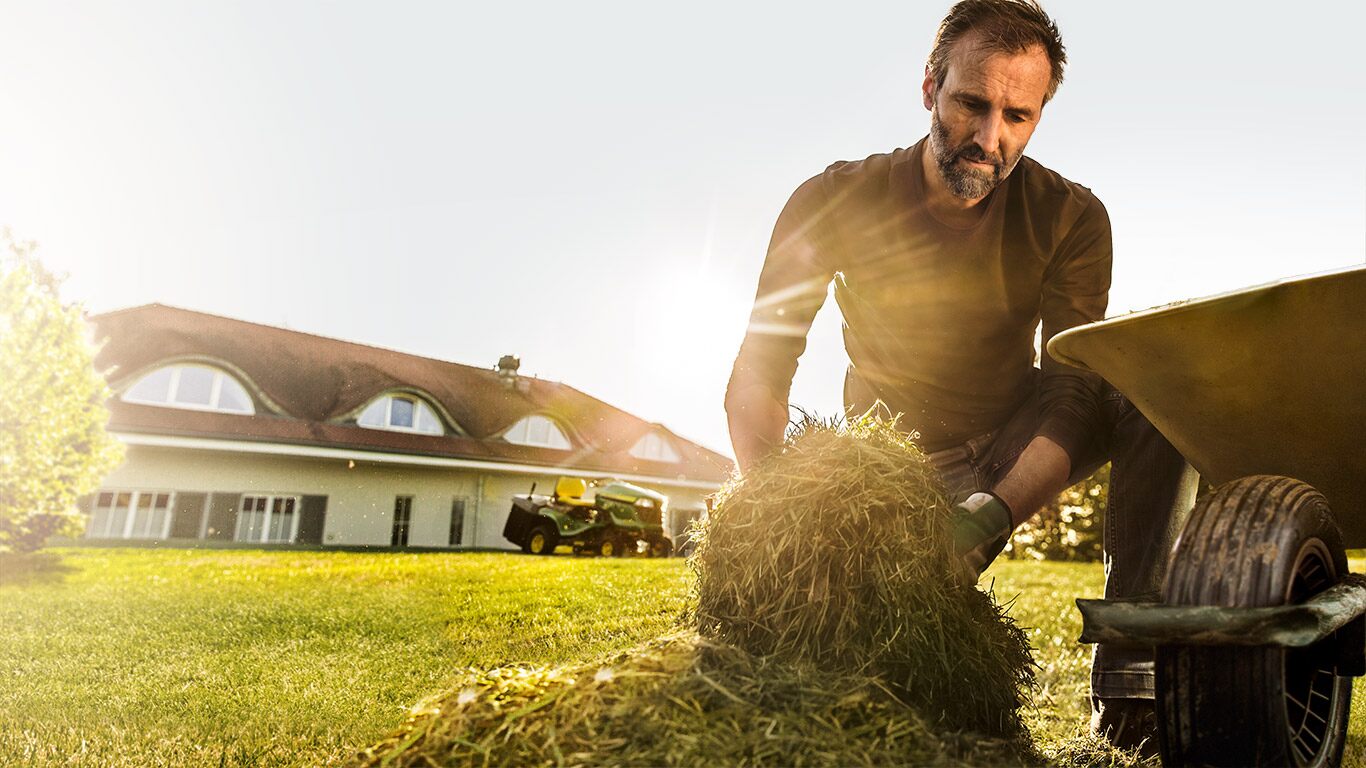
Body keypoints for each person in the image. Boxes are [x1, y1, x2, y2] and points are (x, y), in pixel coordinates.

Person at [723, 0, 1198, 753]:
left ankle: (1129, 687)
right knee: (869, 672)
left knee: (1152, 376)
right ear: (929, 87)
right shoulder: (835, 199)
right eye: (971, 104)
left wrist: (990, 518)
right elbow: (762, 363)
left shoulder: (1072, 216)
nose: (989, 138)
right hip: (902, 466)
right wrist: (769, 512)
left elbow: (1071, 387)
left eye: (1018, 115)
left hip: (1022, 441)